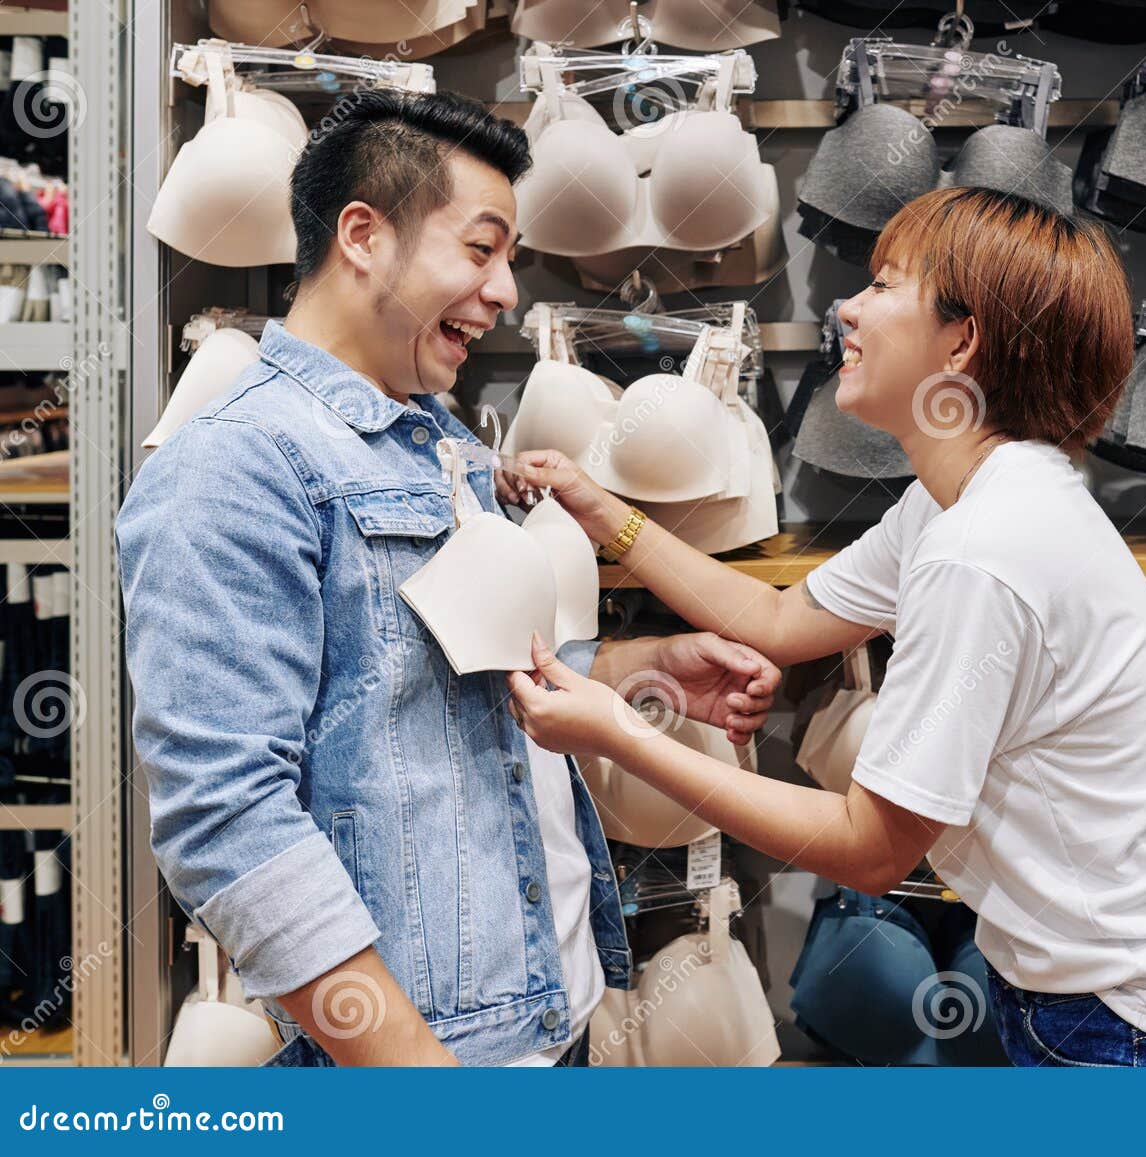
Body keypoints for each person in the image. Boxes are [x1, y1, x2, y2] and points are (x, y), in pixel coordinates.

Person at [503, 186, 1146, 1068]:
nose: (846, 307)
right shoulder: (966, 498)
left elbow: (870, 849)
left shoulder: (983, 547)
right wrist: (600, 512)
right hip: (1127, 1002)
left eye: (885, 285)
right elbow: (779, 618)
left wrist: (615, 728)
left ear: (962, 340)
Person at [118, 90, 777, 1067]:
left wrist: (645, 667)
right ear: (363, 236)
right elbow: (226, 818)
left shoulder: (443, 440)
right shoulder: (236, 464)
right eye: (480, 249)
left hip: (549, 1015)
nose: (507, 288)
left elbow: (468, 677)